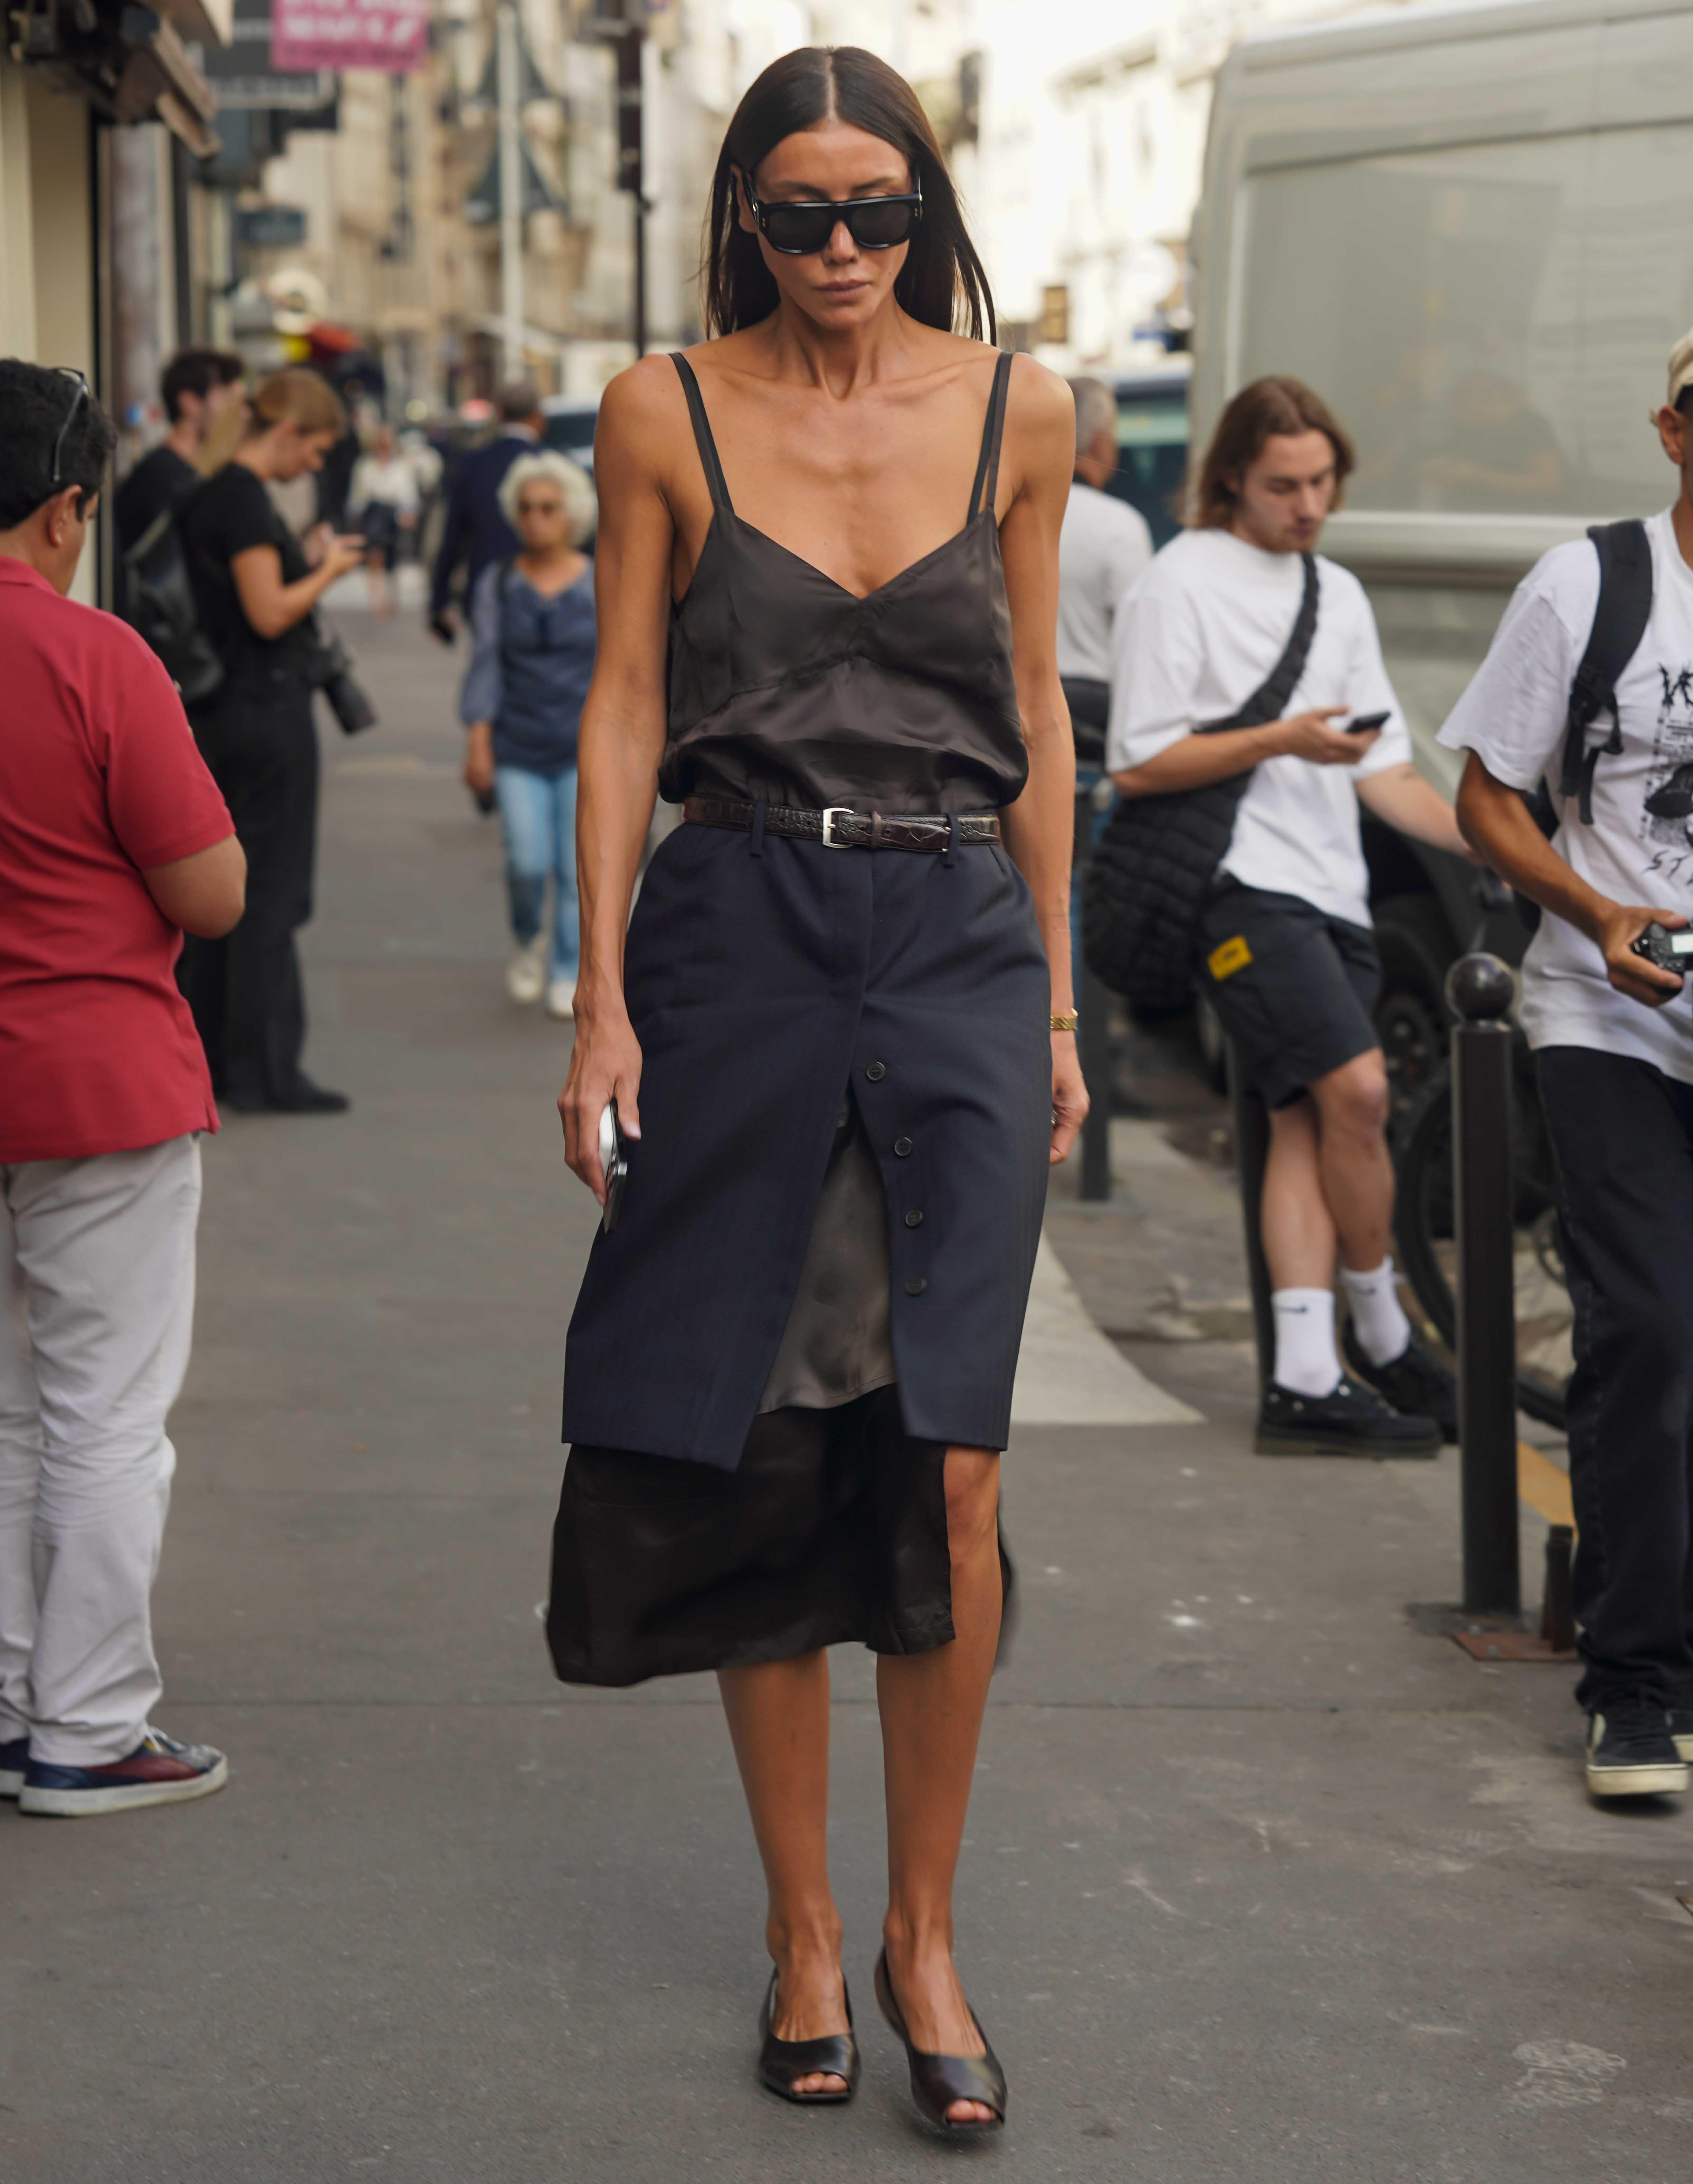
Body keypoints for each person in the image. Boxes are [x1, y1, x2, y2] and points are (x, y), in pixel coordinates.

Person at [544, 46, 1084, 2135]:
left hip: (953, 937)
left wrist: (1046, 1009)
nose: (843, 249)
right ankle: (796, 1922)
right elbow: (616, 709)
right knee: (766, 1442)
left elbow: (1035, 708)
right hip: (737, 935)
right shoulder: (661, 407)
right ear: (744, 220)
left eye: (878, 210)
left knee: (953, 1462)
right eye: (800, 214)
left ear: (927, 207)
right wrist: (597, 998)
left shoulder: (1022, 407)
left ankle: (920, 1930)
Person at [1440, 312, 1693, 1800]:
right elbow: (1486, 796)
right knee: (1656, 1333)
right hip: (1601, 1009)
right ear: (1674, 431)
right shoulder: (1593, 582)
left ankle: (1692, 1639)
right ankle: (1629, 1683)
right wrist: (1598, 907)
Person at [1108, 375, 1465, 1456]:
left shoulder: (1337, 594)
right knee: (1358, 1088)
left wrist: (1493, 844)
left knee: (1313, 1122)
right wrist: (1279, 740)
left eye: (1322, 483)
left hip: (1333, 889)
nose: (1308, 505)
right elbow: (1139, 761)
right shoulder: (1179, 584)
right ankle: (1384, 1324)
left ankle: (1306, 1378)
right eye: (1283, 486)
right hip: (1239, 888)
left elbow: (1388, 772)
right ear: (1230, 480)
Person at [0, 360, 245, 1816]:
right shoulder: (95, 658)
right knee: (101, 1412)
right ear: (67, 506)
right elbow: (209, 892)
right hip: (94, 1077)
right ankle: (87, 1727)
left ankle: (12, 1692)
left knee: (9, 1412)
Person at [177, 369, 364, 1114]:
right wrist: (328, 570)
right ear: (286, 432)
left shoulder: (211, 492)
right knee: (270, 893)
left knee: (231, 890)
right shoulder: (244, 499)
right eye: (315, 450)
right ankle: (265, 1069)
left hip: (227, 712)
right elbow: (269, 612)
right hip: (267, 711)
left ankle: (225, 1059)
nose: (314, 466)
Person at [460, 451, 598, 1015]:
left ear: (573, 515)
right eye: (526, 509)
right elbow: (485, 664)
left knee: (575, 869)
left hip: (582, 747)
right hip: (517, 743)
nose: (536, 518)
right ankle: (526, 938)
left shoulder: (600, 581)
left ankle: (567, 966)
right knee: (525, 862)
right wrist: (478, 741)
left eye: (548, 508)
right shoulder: (497, 582)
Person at [1057, 375, 1153, 963]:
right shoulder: (1118, 525)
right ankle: (1076, 1035)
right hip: (1094, 724)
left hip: (1007, 714)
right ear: (1096, 443)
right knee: (1075, 891)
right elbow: (1139, 643)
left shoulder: (997, 504)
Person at [428, 383, 545, 641]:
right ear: (538, 416)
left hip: (485, 591)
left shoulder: (473, 465)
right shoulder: (551, 464)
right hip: (544, 589)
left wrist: (439, 602)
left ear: (499, 414)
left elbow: (453, 538)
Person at [112, 347, 245, 555]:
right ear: (190, 403)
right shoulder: (161, 478)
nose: (240, 414)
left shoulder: (192, 473)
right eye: (227, 399)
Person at [346, 421, 422, 618]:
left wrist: (410, 513)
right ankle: (378, 600)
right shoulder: (365, 466)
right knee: (374, 557)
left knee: (392, 559)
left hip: (393, 514)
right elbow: (358, 494)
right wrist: (355, 517)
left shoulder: (401, 466)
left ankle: (391, 595)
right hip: (374, 513)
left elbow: (408, 493)